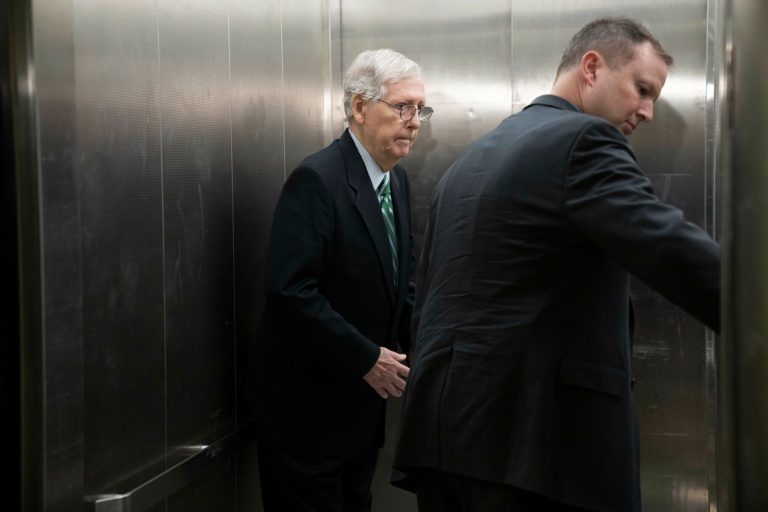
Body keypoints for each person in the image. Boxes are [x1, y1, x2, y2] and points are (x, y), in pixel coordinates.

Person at [392, 17, 719, 512]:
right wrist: (752, 306)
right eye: (642, 89)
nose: (648, 112)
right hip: (533, 451)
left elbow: (431, 300)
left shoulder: (467, 164)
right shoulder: (583, 141)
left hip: (443, 444)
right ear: (592, 67)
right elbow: (670, 248)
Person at [247, 48, 432, 512]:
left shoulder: (395, 181)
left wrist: (426, 347)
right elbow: (290, 292)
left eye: (420, 110)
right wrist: (365, 357)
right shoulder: (317, 179)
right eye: (402, 107)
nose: (414, 122)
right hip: (307, 421)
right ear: (359, 107)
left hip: (359, 418)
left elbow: (401, 282)